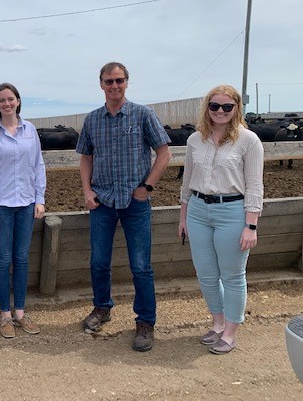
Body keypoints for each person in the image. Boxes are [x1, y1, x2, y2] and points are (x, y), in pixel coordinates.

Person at [76, 61, 171, 352]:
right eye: (108, 81)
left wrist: (148, 186)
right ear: (101, 84)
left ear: (127, 82)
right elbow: (86, 158)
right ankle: (102, 307)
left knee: (141, 266)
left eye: (119, 80)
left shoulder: (143, 115)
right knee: (99, 261)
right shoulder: (92, 119)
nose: (114, 86)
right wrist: (87, 190)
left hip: (134, 202)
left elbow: (164, 153)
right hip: (103, 201)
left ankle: (145, 322)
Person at [178, 85, 263, 355]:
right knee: (206, 273)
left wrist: (251, 225)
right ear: (207, 108)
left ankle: (230, 331)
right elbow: (187, 181)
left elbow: (255, 186)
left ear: (237, 108)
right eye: (215, 106)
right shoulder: (195, 140)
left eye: (227, 106)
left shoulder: (249, 140)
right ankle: (217, 323)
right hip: (198, 210)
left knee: (233, 275)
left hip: (232, 212)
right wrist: (183, 217)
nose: (221, 111)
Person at [0, 83, 46, 338]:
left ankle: (20, 312)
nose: (7, 103)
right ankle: (5, 314)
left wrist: (40, 198)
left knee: (22, 259)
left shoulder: (30, 130)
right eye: (2, 100)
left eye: (11, 99)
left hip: (26, 204)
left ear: (18, 101)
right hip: (2, 207)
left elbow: (38, 165)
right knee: (4, 259)